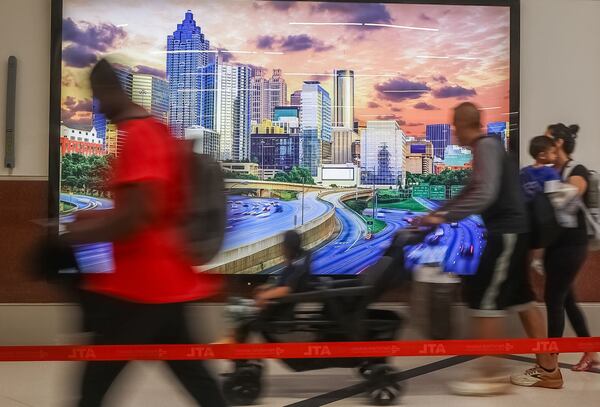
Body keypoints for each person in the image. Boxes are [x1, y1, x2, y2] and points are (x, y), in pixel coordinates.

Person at [62, 59, 227, 407]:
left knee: (93, 387)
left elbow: (138, 216)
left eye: (97, 96)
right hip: (169, 281)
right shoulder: (156, 131)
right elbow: (153, 207)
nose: (98, 107)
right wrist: (90, 217)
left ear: (109, 90)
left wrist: (76, 235)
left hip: (139, 289)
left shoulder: (137, 136)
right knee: (197, 380)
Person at [416, 102, 561, 395]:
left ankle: (489, 375)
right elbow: (471, 191)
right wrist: (437, 213)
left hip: (506, 232)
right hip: (515, 231)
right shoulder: (486, 150)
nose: (453, 133)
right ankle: (550, 370)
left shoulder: (486, 147)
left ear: (459, 125)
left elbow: (484, 193)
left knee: (485, 300)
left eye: (454, 126)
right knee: (523, 300)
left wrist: (441, 217)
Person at [543, 123, 599, 372]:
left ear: (558, 143)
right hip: (556, 245)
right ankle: (589, 351)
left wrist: (545, 188)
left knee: (554, 299)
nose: (541, 144)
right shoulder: (548, 171)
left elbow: (575, 190)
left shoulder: (576, 170)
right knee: (567, 300)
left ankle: (549, 364)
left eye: (546, 140)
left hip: (572, 246)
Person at [224, 230, 312, 344]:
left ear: (288, 246)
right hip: (274, 305)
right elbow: (284, 285)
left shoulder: (296, 267)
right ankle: (237, 339)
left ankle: (236, 343)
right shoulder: (299, 261)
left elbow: (286, 289)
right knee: (237, 306)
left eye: (282, 245)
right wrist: (268, 287)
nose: (281, 248)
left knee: (235, 307)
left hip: (275, 309)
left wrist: (264, 296)